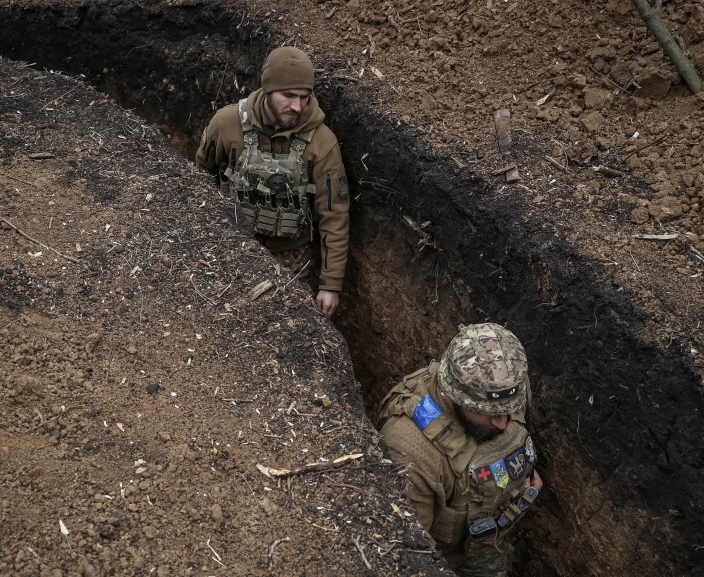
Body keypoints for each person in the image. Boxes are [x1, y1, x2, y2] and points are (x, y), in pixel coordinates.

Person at [378, 323, 544, 577]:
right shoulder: (409, 450)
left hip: (493, 543)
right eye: (488, 412)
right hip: (448, 562)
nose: (503, 422)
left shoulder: (508, 379)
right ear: (452, 397)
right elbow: (411, 555)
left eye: (509, 408)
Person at [195, 46, 350, 317]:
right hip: (230, 245)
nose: (297, 106)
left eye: (304, 96)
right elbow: (197, 180)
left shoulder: (322, 142)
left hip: (292, 258)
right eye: (288, 95)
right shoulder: (226, 123)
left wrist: (330, 284)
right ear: (267, 90)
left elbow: (334, 215)